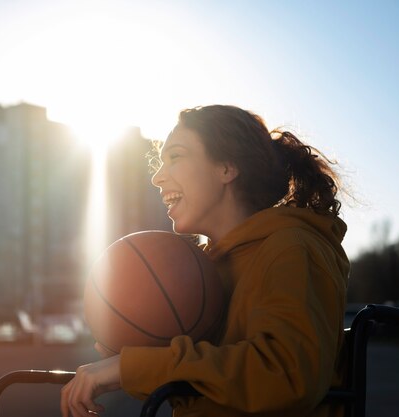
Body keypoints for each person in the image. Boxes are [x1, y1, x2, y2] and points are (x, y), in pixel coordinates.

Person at [61, 105, 350, 417]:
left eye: (176, 157)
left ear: (226, 167)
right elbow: (206, 370)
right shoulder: (209, 269)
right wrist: (125, 342)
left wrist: (129, 366)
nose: (158, 177)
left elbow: (286, 376)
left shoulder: (291, 247)